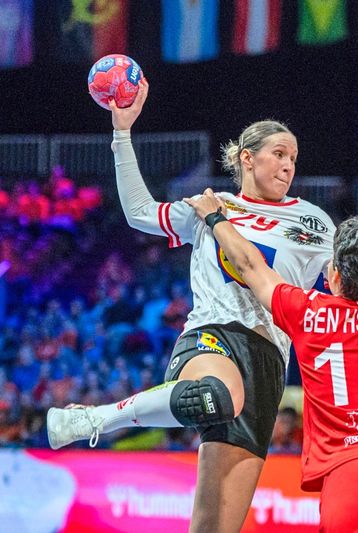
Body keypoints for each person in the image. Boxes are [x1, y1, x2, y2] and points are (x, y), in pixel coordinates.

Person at [46, 80, 335, 532]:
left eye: (293, 159)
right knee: (215, 396)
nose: (288, 166)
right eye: (279, 153)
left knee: (216, 525)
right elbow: (139, 212)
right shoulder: (210, 207)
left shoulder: (314, 220)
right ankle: (92, 419)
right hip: (213, 335)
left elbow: (341, 282)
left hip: (271, 360)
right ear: (247, 157)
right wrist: (122, 133)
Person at [185, 192, 358, 532]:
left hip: (357, 469)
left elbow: (251, 266)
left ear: (334, 275)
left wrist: (217, 219)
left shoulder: (309, 312)